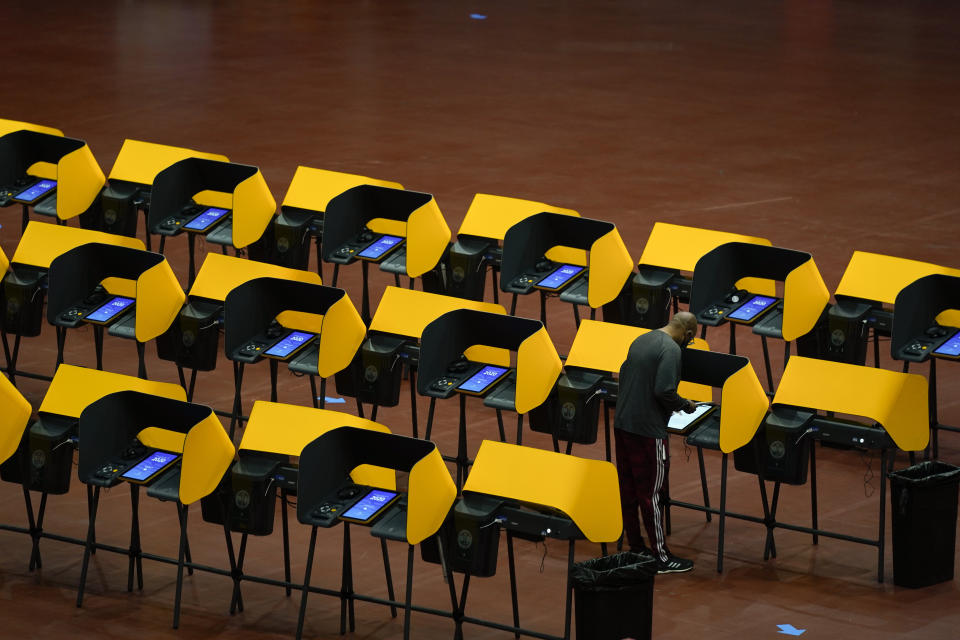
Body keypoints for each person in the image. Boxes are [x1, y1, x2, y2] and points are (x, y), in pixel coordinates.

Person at [614, 311, 698, 574]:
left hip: (623, 423)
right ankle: (660, 557)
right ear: (688, 335)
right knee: (651, 494)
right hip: (648, 431)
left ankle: (636, 547)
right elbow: (663, 390)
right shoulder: (672, 350)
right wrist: (685, 405)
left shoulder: (642, 339)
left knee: (628, 489)